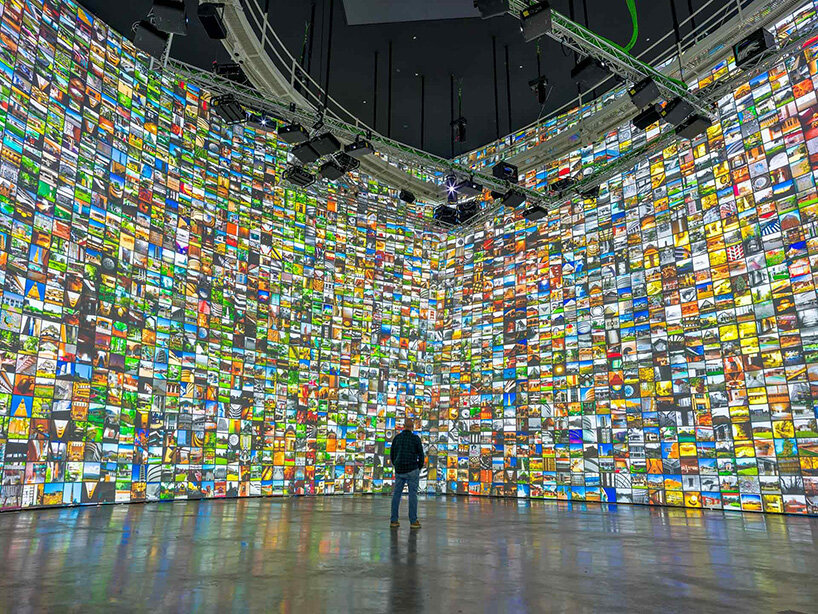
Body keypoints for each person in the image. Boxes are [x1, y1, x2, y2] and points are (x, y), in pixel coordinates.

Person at [389, 418, 424, 529]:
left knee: (396, 495)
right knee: (412, 495)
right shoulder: (415, 439)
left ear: (403, 426)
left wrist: (396, 465)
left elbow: (392, 454)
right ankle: (413, 521)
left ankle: (394, 520)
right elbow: (421, 455)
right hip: (412, 470)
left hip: (400, 470)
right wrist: (418, 467)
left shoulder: (397, 438)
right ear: (412, 427)